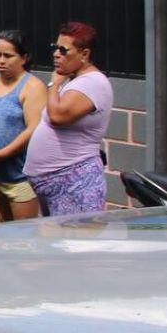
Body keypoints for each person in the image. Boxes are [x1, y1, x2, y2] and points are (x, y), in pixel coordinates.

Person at [24, 21, 114, 217]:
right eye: (55, 48)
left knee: (75, 242)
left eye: (64, 50)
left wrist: (54, 85)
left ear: (85, 54)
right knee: (58, 244)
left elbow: (58, 116)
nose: (56, 54)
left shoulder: (93, 82)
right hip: (57, 182)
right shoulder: (74, 80)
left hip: (74, 182)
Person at [0, 31, 47, 221]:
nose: (1, 60)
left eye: (8, 56)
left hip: (21, 177)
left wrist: (4, 153)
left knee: (23, 238)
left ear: (24, 58)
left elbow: (34, 128)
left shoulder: (32, 86)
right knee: (4, 233)